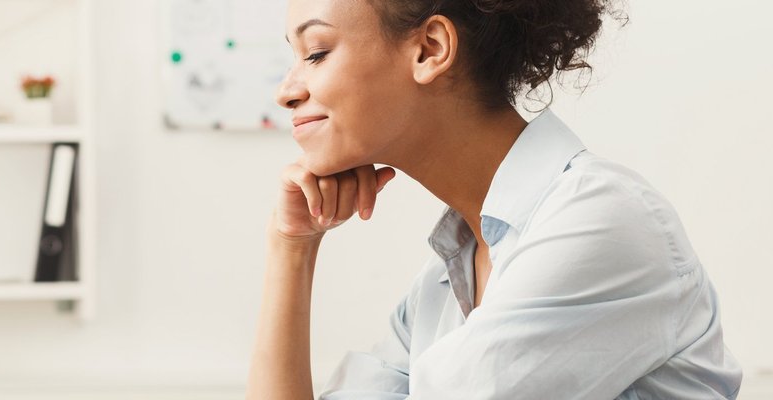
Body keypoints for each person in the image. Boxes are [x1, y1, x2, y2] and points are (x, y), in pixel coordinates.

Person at [246, 0, 743, 398]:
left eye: (315, 53)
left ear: (430, 48)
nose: (286, 92)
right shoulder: (442, 284)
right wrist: (292, 246)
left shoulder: (600, 221)